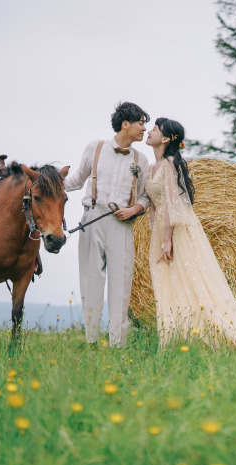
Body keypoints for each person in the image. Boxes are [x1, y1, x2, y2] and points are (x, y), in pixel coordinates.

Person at [144, 117, 236, 347]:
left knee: (188, 279)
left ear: (165, 138)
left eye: (155, 129)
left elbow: (172, 204)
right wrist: (154, 234)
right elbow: (155, 205)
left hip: (176, 231)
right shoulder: (151, 168)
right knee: (170, 281)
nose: (149, 131)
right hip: (161, 231)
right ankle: (180, 333)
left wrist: (167, 240)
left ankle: (206, 331)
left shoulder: (169, 164)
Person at [65, 102, 151, 347]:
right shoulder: (94, 148)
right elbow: (76, 180)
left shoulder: (141, 160)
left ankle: (118, 345)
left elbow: (145, 196)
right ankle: (91, 341)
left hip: (122, 225)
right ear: (126, 124)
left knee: (121, 284)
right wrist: (46, 182)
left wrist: (134, 209)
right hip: (92, 218)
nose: (144, 128)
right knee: (91, 282)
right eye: (141, 123)